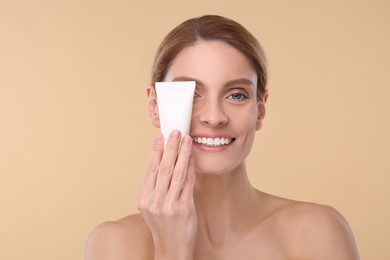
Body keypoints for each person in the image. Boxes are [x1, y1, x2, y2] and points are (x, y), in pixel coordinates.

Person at [85, 15, 360, 259]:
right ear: (154, 106)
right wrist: (172, 249)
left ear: (260, 110)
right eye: (191, 95)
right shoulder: (115, 245)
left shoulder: (318, 233)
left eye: (236, 95)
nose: (214, 117)